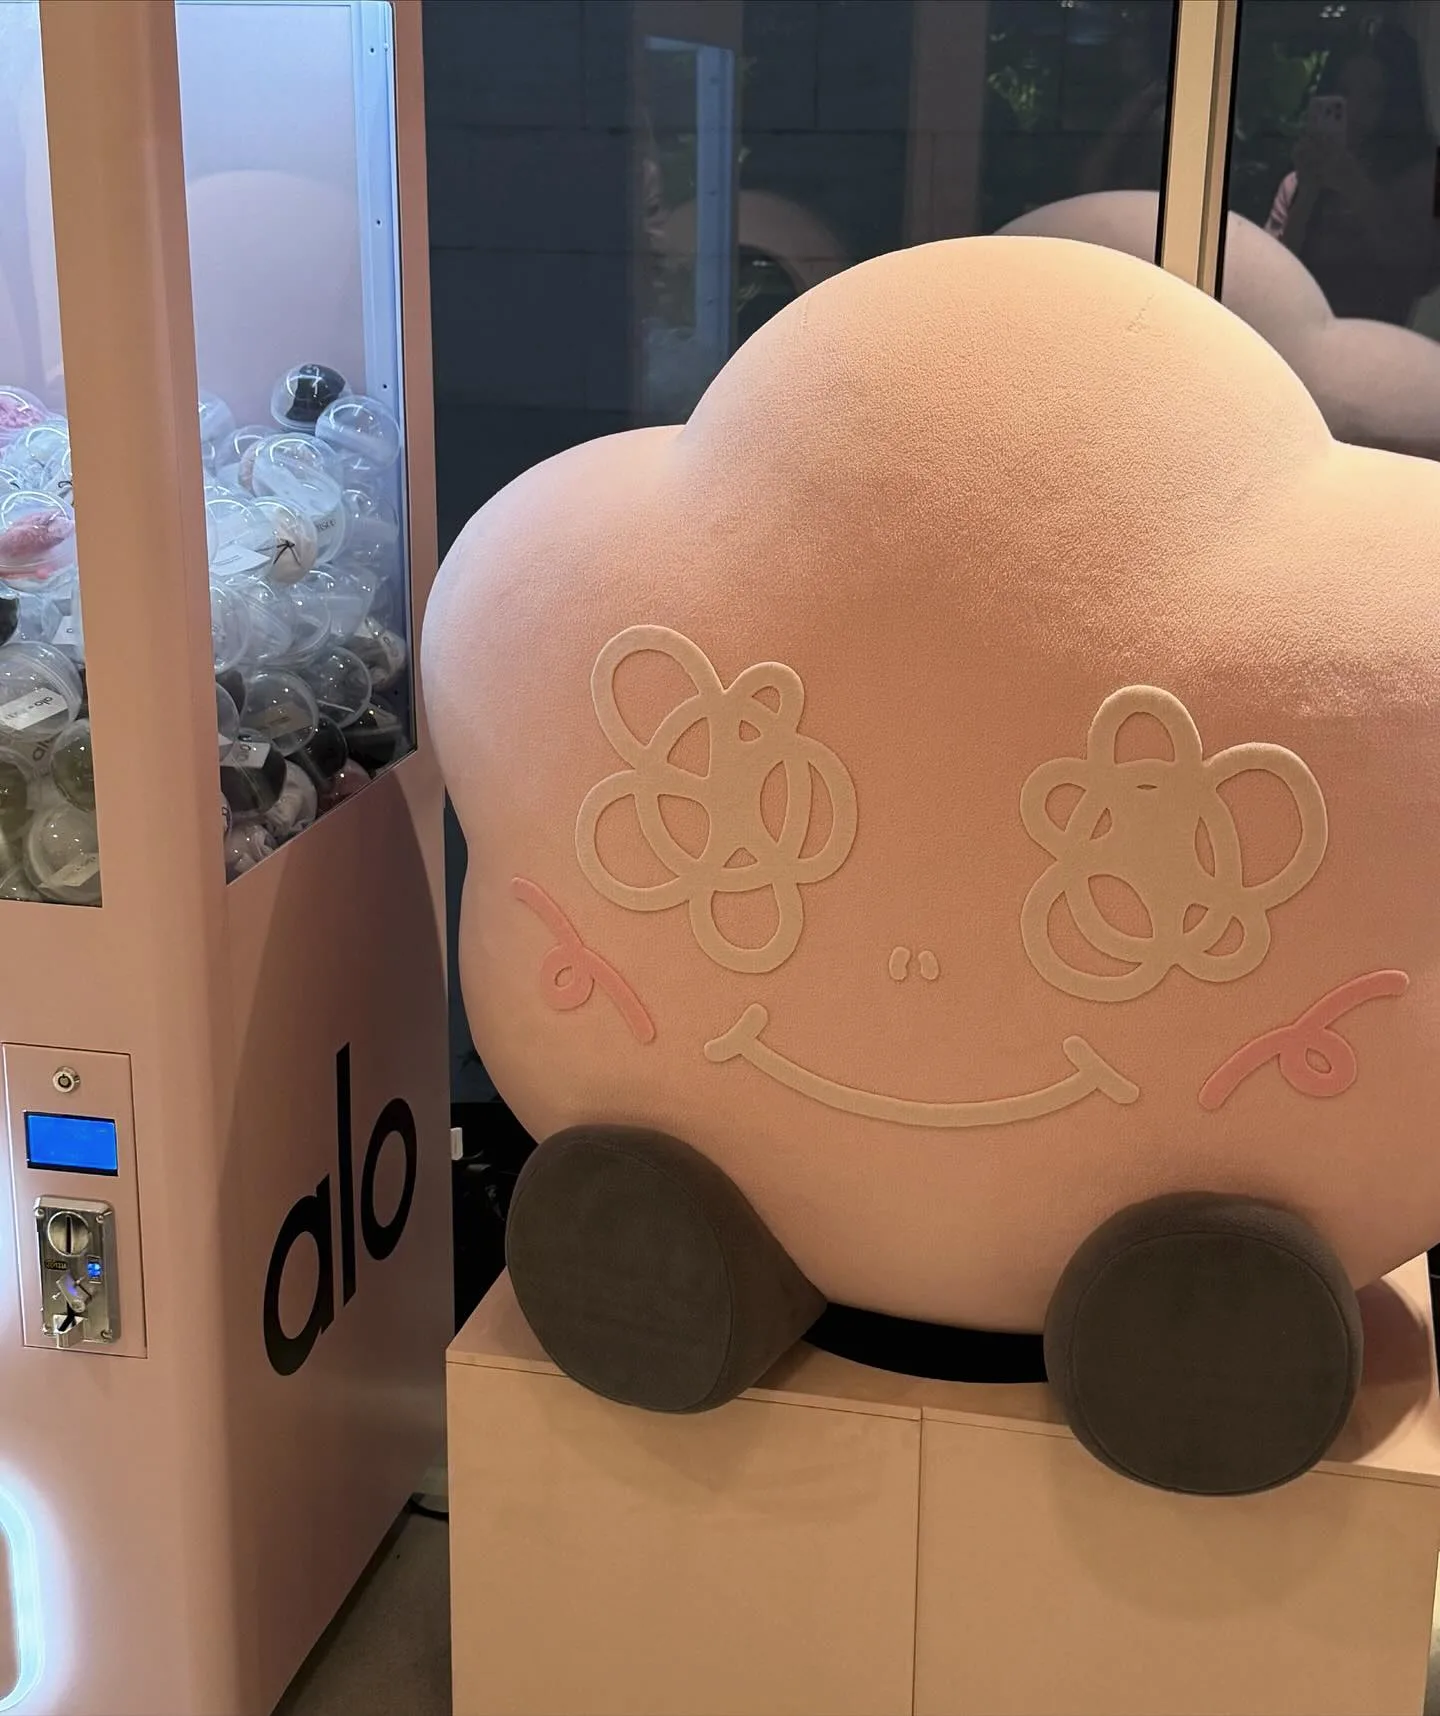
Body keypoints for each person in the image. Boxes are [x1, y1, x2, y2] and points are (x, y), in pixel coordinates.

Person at [1266, 24, 1440, 325]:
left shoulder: (1423, 180)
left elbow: (1420, 275)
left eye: (1374, 96)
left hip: (1382, 342)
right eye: (1344, 93)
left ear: (1397, 103)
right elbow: (1274, 279)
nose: (1356, 109)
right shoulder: (1295, 184)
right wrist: (1308, 193)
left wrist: (1356, 187)